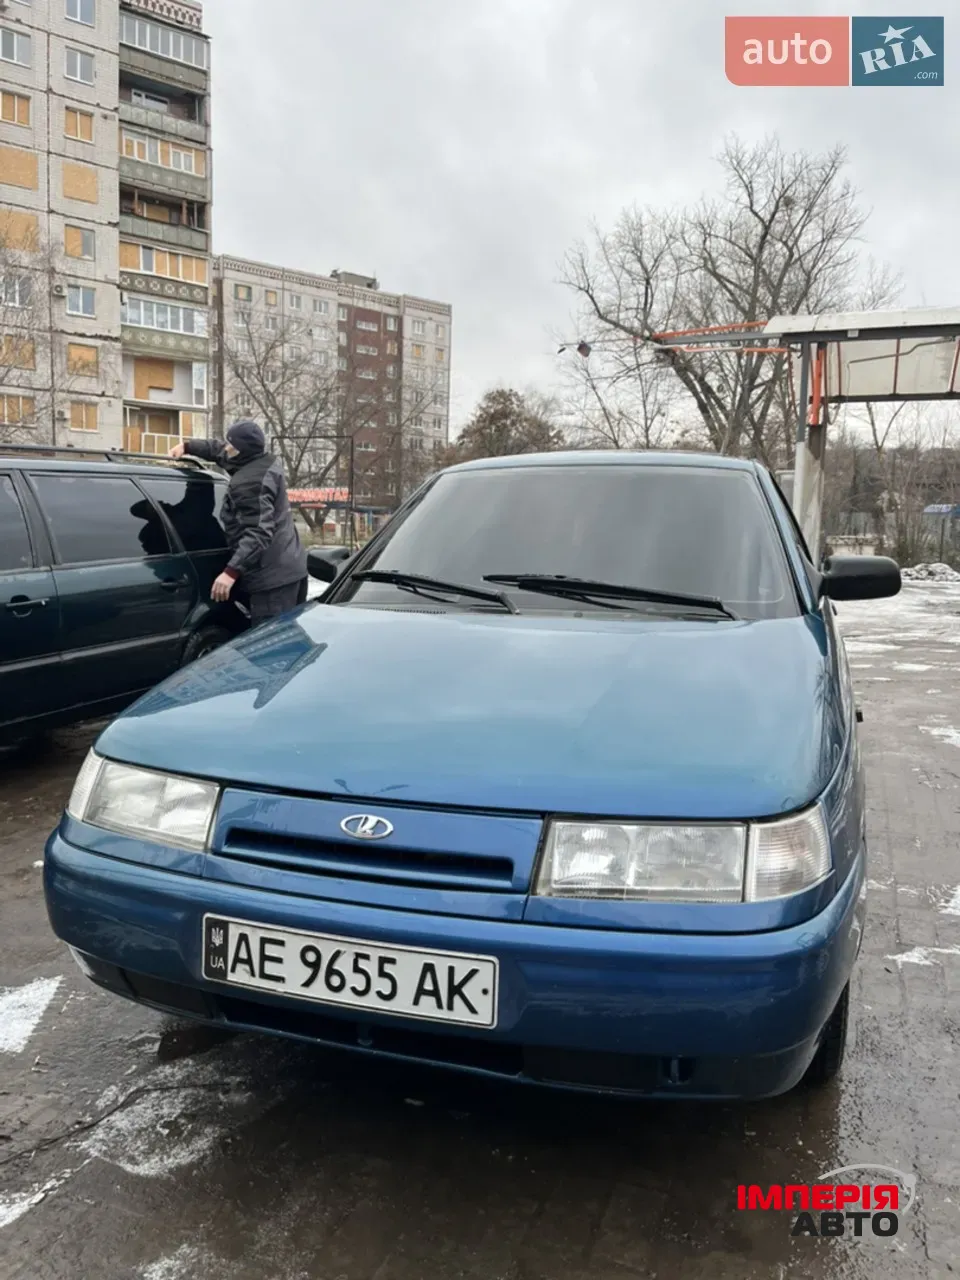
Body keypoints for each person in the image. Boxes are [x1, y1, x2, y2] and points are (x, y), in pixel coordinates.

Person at [169, 420, 308, 625]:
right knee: (290, 636)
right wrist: (188, 447)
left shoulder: (250, 483)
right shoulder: (262, 461)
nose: (226, 448)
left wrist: (230, 572)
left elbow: (258, 533)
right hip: (290, 568)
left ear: (242, 451)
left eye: (231, 445)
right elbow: (220, 451)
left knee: (270, 641)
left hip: (271, 582)